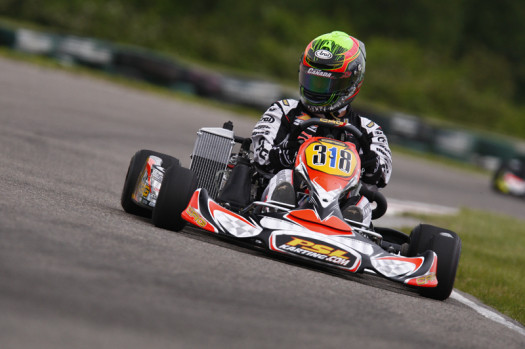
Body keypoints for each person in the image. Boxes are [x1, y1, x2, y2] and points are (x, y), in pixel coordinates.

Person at [251, 31, 392, 226]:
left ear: (351, 83)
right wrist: (287, 151)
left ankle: (350, 227)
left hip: (341, 206)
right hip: (285, 198)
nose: (316, 89)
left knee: (362, 201)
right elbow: (262, 157)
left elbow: (381, 176)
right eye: (312, 80)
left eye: (326, 83)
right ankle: (277, 209)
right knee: (285, 179)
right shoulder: (284, 110)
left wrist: (370, 163)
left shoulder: (367, 130)